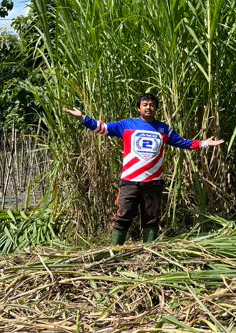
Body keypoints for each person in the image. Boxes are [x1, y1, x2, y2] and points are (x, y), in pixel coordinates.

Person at [63, 93, 224, 245]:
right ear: (139, 108)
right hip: (130, 182)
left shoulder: (163, 129)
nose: (148, 107)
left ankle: (149, 252)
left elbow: (183, 142)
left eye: (152, 105)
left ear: (156, 108)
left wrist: (204, 144)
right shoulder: (126, 124)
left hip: (153, 183)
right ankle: (115, 251)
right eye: (145, 104)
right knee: (123, 216)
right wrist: (83, 118)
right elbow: (102, 128)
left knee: (151, 218)